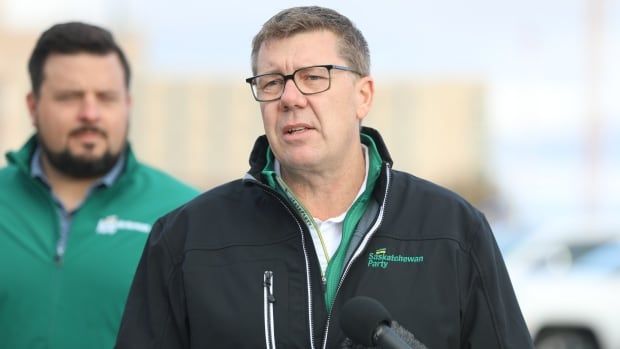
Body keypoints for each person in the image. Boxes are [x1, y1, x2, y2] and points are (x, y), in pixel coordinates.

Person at [116, 6, 533, 349]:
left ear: (363, 95)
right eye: (271, 82)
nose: (290, 98)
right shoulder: (186, 239)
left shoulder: (453, 231)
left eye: (314, 77)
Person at [0, 22, 198, 349]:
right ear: (33, 107)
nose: (90, 114)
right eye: (69, 97)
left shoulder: (185, 215)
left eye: (106, 98)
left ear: (127, 106)